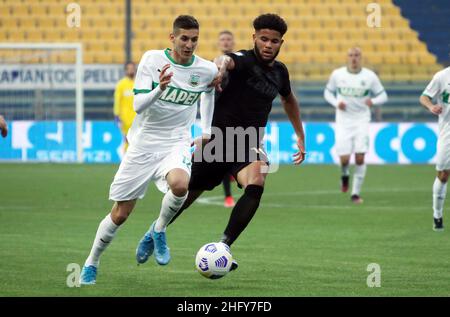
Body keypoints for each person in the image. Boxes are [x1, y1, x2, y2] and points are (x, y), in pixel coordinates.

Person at [136, 13, 306, 271]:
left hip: (247, 144)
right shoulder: (242, 60)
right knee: (184, 196)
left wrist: (300, 135)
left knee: (258, 180)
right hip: (216, 142)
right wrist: (221, 69)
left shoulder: (280, 72)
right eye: (263, 39)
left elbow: (289, 99)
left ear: (281, 42)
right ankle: (155, 231)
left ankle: (224, 245)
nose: (268, 45)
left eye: (274, 41)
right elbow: (224, 60)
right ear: (254, 38)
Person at [79, 15, 218, 285]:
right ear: (173, 38)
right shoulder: (152, 60)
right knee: (121, 213)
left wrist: (206, 132)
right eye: (184, 39)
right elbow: (139, 105)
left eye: (194, 39)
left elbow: (209, 93)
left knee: (181, 185)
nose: (190, 45)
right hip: (143, 143)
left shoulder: (206, 69)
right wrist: (160, 88)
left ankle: (158, 229)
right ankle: (92, 261)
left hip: (176, 140)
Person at [324, 47, 388, 204]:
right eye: (351, 55)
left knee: (360, 157)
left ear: (361, 58)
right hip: (343, 122)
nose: (354, 58)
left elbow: (383, 95)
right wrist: (336, 102)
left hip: (361, 120)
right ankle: (345, 174)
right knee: (344, 159)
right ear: (347, 58)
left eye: (357, 55)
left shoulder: (369, 76)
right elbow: (327, 93)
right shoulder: (337, 75)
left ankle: (355, 194)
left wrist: (372, 101)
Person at [420, 66, 450, 231]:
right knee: (443, 175)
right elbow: (424, 97)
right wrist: (431, 107)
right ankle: (437, 214)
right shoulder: (442, 76)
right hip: (448, 133)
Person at [217, 30, 236, 208]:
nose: (225, 42)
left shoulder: (240, 63)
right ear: (218, 43)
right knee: (224, 156)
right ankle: (228, 197)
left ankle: (232, 170)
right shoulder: (213, 64)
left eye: (228, 39)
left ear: (233, 42)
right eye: (222, 39)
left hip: (239, 115)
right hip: (220, 116)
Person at [114, 62, 136, 153]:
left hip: (138, 117)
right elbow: (117, 101)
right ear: (126, 70)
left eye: (132, 68)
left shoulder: (139, 83)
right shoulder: (121, 84)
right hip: (125, 119)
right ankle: (126, 161)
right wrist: (116, 115)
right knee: (128, 140)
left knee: (137, 141)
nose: (131, 70)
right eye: (129, 68)